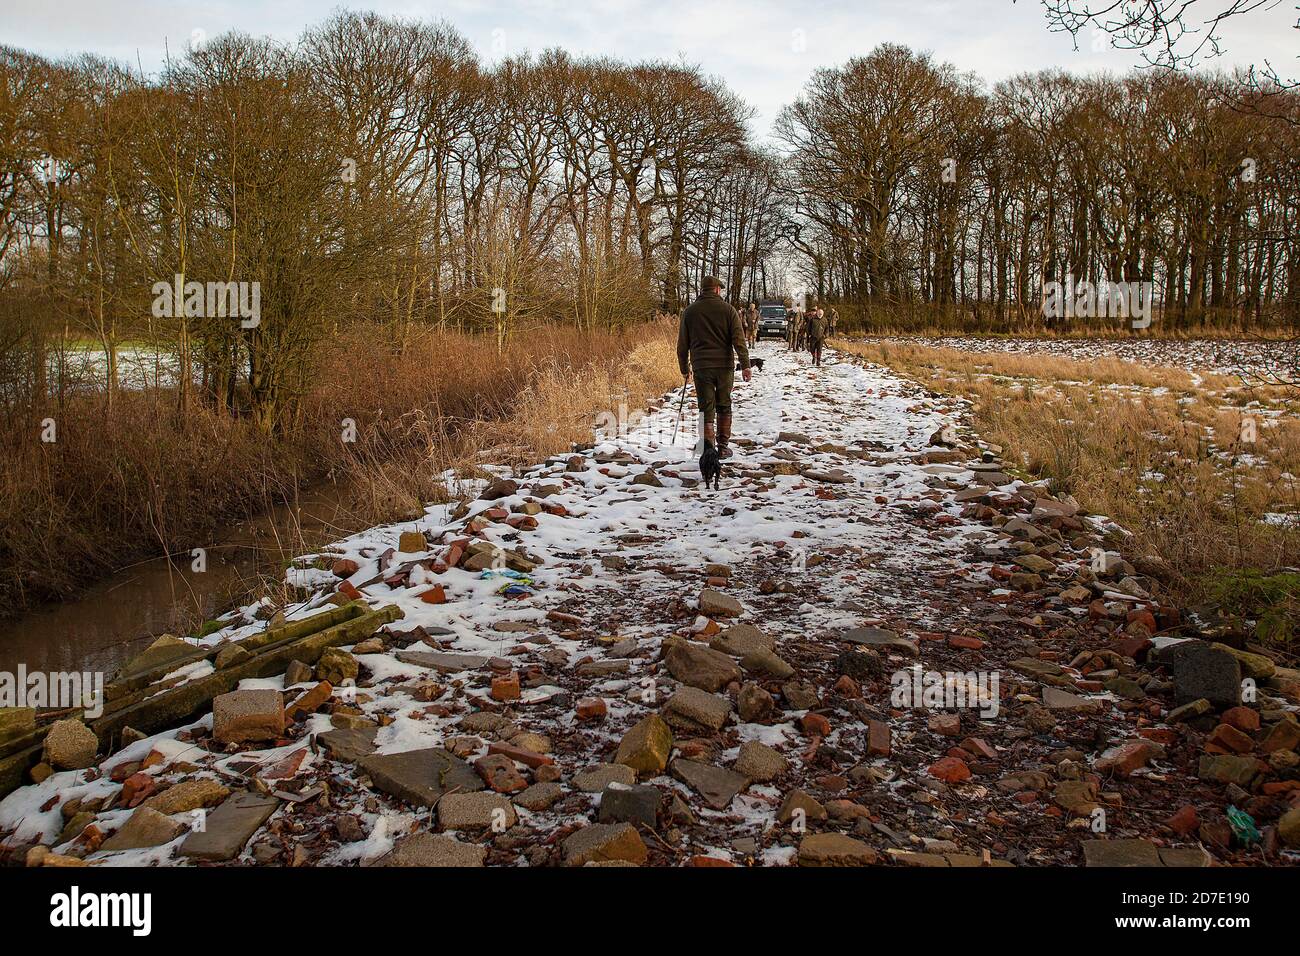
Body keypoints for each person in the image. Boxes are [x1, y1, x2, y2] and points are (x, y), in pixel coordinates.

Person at [677, 276, 750, 459]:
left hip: (701, 367)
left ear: (702, 290)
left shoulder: (689, 312)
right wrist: (746, 365)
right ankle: (723, 447)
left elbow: (682, 346)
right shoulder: (729, 310)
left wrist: (685, 369)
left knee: (705, 407)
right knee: (724, 404)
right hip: (724, 367)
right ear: (717, 289)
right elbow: (739, 341)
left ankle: (708, 448)